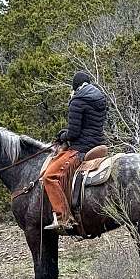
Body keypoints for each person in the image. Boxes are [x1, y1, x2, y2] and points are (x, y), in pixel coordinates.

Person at [42, 71, 107, 231]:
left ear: (75, 87)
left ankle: (63, 217)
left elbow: (74, 133)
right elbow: (90, 125)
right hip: (98, 146)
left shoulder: (77, 100)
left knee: (49, 176)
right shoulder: (101, 97)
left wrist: (63, 135)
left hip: (81, 148)